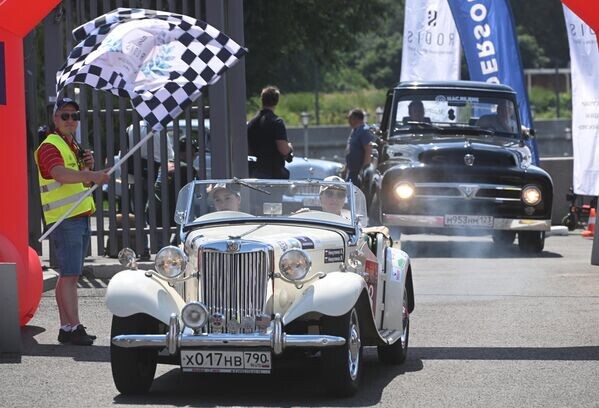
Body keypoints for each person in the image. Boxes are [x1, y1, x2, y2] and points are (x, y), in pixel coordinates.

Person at [34, 98, 110, 346]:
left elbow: (80, 183)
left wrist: (89, 169)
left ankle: (68, 327)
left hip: (77, 217)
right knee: (69, 275)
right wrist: (89, 174)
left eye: (74, 116)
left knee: (69, 276)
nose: (70, 120)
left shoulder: (71, 145)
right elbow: (58, 174)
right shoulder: (49, 146)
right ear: (55, 119)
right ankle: (72, 327)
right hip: (66, 220)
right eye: (64, 115)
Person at [247, 86, 293, 179]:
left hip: (256, 172)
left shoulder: (252, 123)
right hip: (273, 173)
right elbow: (283, 149)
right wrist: (290, 148)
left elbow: (248, 149)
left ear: (262, 100)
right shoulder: (276, 122)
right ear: (276, 101)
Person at [344, 108, 373, 188]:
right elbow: (350, 150)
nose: (348, 121)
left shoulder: (364, 131)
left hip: (358, 172)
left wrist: (364, 169)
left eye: (350, 118)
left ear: (356, 119)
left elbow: (368, 149)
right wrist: (346, 167)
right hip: (352, 171)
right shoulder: (354, 131)